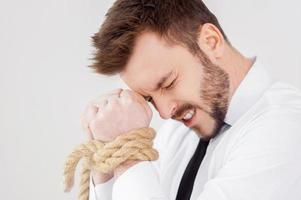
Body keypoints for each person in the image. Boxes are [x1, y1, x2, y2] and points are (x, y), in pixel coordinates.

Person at [80, 0, 301, 199]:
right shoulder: (176, 132)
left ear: (211, 42)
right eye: (149, 98)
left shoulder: (286, 128)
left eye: (168, 83)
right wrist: (107, 167)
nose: (165, 113)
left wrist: (128, 155)